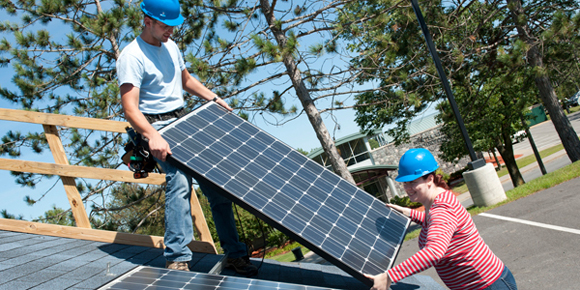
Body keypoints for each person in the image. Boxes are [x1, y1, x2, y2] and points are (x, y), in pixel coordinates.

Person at [116, 0, 258, 276]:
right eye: (166, 25)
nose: (171, 30)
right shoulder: (131, 56)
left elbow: (186, 80)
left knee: (217, 186)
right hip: (155, 127)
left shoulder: (171, 46)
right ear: (148, 21)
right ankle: (177, 258)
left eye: (174, 26)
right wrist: (151, 136)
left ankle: (235, 253)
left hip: (183, 120)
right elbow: (130, 108)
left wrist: (214, 98)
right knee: (179, 181)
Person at [366, 148, 517, 290]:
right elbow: (434, 221)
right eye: (405, 183)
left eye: (413, 182)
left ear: (430, 179)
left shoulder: (442, 209)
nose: (408, 188)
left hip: (488, 285)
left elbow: (433, 252)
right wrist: (408, 212)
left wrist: (389, 276)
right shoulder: (437, 200)